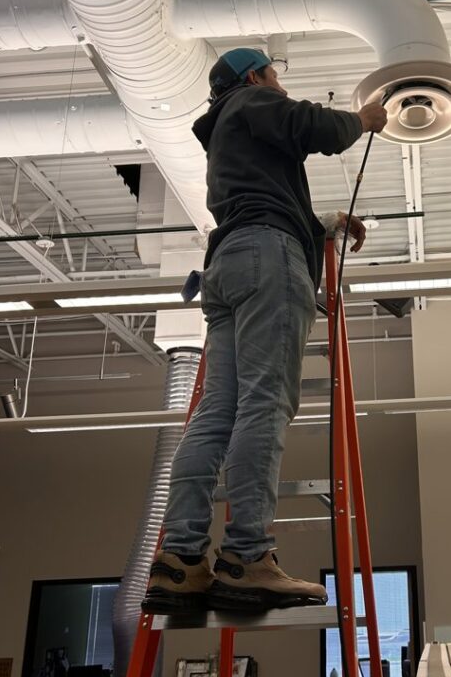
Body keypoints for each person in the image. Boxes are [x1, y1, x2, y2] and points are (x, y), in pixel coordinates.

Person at [142, 47, 387, 614]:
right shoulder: (252, 100)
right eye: (275, 75)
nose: (281, 85)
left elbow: (262, 202)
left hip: (227, 265)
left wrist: (323, 222)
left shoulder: (228, 133)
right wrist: (364, 119)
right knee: (264, 403)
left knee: (217, 413)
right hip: (266, 260)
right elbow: (314, 125)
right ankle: (246, 556)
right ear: (253, 76)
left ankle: (181, 560)